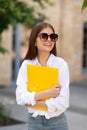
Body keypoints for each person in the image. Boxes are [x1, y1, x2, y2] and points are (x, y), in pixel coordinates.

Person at [16, 22, 70, 130]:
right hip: (34, 123)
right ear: (34, 42)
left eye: (52, 36)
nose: (49, 40)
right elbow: (20, 98)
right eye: (44, 36)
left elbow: (63, 103)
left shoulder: (61, 65)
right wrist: (48, 93)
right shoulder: (26, 65)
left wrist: (32, 102)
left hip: (58, 123)